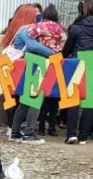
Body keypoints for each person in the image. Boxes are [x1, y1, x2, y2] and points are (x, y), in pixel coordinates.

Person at [5, 4, 53, 144]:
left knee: (25, 101)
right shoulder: (27, 29)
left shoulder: (21, 29)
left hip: (23, 69)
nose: (39, 17)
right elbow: (33, 46)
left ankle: (15, 132)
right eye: (36, 14)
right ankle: (29, 134)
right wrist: (53, 52)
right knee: (35, 99)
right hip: (30, 67)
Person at [63, 1, 93, 145]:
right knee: (89, 101)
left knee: (74, 100)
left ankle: (71, 134)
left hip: (78, 65)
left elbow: (67, 49)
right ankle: (84, 136)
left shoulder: (75, 28)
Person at [28, 4, 65, 137]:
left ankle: (41, 127)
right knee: (54, 97)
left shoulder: (40, 26)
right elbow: (64, 43)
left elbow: (30, 33)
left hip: (42, 61)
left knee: (41, 95)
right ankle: (52, 128)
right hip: (57, 62)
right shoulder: (61, 28)